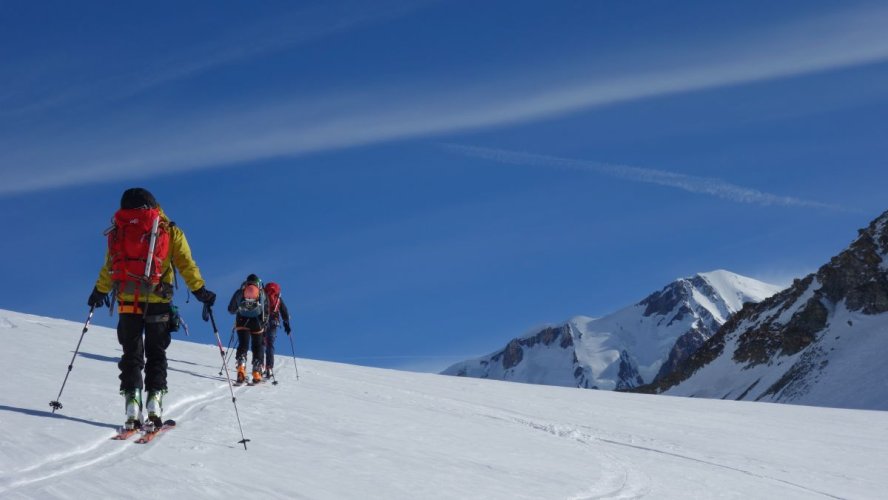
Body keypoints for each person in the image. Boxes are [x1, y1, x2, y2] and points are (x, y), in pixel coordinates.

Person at [88, 188, 216, 430]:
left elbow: (110, 266)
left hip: (127, 301)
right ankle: (154, 403)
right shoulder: (168, 230)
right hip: (159, 299)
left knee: (131, 355)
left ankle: (131, 405)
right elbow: (186, 264)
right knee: (156, 354)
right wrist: (200, 291)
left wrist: (99, 292)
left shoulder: (119, 229)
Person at [228, 274, 268, 384]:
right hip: (257, 323)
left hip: (242, 321)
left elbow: (230, 309)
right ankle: (257, 372)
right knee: (257, 346)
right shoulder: (262, 293)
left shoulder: (240, 291)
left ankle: (241, 368)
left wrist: (238, 309)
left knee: (243, 345)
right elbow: (266, 310)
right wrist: (264, 323)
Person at [262, 282, 291, 379]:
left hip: (262, 321)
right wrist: (287, 325)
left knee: (261, 343)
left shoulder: (263, 295)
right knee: (270, 344)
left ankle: (260, 365)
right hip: (274, 322)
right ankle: (269, 367)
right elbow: (284, 312)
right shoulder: (278, 298)